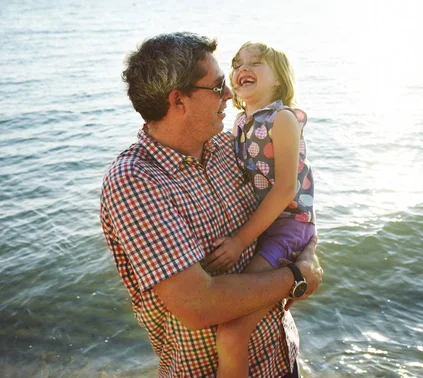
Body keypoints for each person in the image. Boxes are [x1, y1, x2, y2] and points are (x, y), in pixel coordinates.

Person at [99, 32, 323, 378]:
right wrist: (297, 277)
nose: (229, 95)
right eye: (219, 87)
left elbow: (287, 209)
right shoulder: (136, 181)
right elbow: (197, 304)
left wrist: (308, 249)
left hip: (280, 357)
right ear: (179, 101)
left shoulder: (228, 148)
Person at [202, 42, 316, 378]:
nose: (242, 69)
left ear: (278, 80)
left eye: (257, 63)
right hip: (266, 225)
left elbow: (284, 190)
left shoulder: (282, 119)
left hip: (287, 225)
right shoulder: (239, 124)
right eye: (237, 64)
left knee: (233, 333)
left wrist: (239, 241)